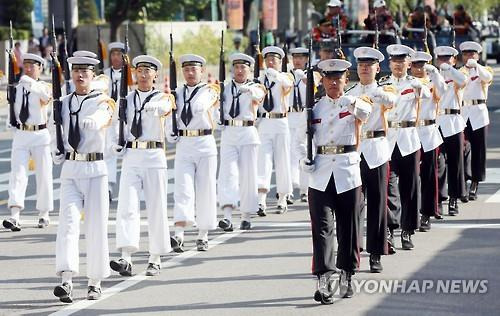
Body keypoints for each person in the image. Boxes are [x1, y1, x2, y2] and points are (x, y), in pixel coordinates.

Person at [299, 58, 371, 303]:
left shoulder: (354, 103)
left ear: (345, 79)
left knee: (349, 227)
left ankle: (347, 273)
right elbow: (303, 140)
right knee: (321, 229)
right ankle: (324, 276)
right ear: (322, 81)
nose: (333, 82)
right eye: (328, 78)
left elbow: (367, 113)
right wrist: (304, 161)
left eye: (338, 78)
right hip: (320, 174)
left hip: (347, 172)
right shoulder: (315, 108)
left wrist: (351, 102)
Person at [52, 55, 115, 303]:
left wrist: (95, 121)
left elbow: (104, 115)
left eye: (85, 72)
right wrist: (55, 150)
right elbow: (52, 127)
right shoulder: (63, 103)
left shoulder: (103, 101)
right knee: (67, 224)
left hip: (96, 169)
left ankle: (95, 281)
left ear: (93, 75)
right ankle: (66, 279)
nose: (80, 76)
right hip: (71, 168)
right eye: (76, 71)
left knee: (95, 226)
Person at [109, 55, 174, 277]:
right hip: (132, 155)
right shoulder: (125, 99)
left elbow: (166, 108)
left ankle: (155, 257)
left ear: (156, 75)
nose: (143, 75)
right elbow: (117, 125)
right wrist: (115, 144)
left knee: (156, 207)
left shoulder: (164, 98)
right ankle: (125, 256)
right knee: (127, 206)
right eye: (140, 70)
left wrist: (155, 106)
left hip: (154, 155)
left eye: (148, 71)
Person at [346, 47, 396, 272]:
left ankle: (376, 252)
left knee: (377, 203)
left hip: (376, 150)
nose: (365, 68)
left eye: (370, 65)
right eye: (362, 65)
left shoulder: (384, 89)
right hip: (355, 151)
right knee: (353, 205)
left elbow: (391, 100)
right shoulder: (352, 90)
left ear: (378, 68)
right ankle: (352, 251)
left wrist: (374, 94)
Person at [169, 54, 220, 252]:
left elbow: (204, 104)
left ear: (202, 71)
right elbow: (170, 116)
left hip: (205, 142)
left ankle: (203, 233)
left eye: (194, 69)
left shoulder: (210, 90)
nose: (190, 73)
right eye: (186, 69)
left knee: (205, 188)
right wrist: (170, 133)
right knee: (182, 188)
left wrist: (199, 104)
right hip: (184, 143)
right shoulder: (177, 92)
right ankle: (179, 234)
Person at [384, 44, 431, 251]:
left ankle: (408, 229)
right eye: (394, 61)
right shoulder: (383, 84)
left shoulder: (415, 83)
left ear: (408, 63)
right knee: (388, 186)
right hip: (388, 140)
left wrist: (422, 86)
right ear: (389, 64)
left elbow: (428, 94)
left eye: (402, 61)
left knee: (410, 186)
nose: (398, 65)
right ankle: (390, 229)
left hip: (409, 139)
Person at [3, 53, 53, 232]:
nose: (29, 68)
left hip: (40, 134)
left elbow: (46, 98)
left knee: (43, 174)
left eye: (33, 66)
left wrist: (30, 84)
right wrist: (11, 121)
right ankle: (15, 215)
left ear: (40, 68)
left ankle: (44, 213)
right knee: (18, 174)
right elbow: (13, 108)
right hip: (22, 134)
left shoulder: (43, 86)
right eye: (26, 65)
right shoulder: (17, 87)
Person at [217, 53, 266, 231]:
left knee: (248, 175)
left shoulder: (256, 87)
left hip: (247, 132)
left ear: (249, 70)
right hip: (229, 132)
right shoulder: (224, 88)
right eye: (236, 67)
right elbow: (216, 107)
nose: (239, 71)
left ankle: (246, 215)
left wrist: (249, 90)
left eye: (243, 67)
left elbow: (260, 96)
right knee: (227, 174)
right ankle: (227, 216)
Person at [256, 46, 294, 216]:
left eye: (274, 60)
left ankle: (283, 197)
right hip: (265, 121)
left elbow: (288, 84)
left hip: (281, 121)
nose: (271, 62)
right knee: (263, 161)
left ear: (280, 62)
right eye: (268, 59)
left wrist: (275, 75)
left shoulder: (284, 76)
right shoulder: (260, 78)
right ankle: (261, 200)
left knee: (283, 160)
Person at [409, 51, 445, 230]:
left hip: (429, 132)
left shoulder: (432, 83)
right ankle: (410, 212)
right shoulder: (408, 84)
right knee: (411, 177)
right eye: (415, 65)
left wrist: (435, 72)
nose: (418, 68)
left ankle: (427, 213)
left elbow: (443, 91)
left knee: (429, 176)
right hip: (410, 132)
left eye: (421, 65)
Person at [434, 45, 467, 216]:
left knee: (456, 163)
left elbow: (463, 81)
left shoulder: (456, 76)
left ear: (454, 60)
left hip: (453, 122)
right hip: (437, 123)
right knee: (438, 164)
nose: (444, 61)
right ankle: (438, 200)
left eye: (448, 58)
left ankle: (454, 198)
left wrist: (450, 69)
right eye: (441, 59)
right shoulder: (433, 76)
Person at [460, 41, 493, 200]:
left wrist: (476, 67)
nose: (469, 57)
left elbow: (487, 77)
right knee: (464, 147)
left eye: (472, 54)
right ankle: (465, 177)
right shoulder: (459, 71)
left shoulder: (484, 70)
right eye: (466, 54)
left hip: (479, 113)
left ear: (478, 55)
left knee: (479, 149)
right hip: (463, 112)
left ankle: (475, 181)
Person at [103, 42, 127, 200]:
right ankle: (108, 187)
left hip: (125, 118)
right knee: (109, 152)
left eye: (119, 54)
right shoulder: (104, 74)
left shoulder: (130, 75)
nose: (116, 57)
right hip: (109, 117)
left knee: (127, 153)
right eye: (113, 54)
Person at [288, 47, 311, 202]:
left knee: (304, 152)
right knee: (289, 154)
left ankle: (305, 189)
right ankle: (289, 190)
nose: (297, 61)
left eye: (301, 58)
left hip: (304, 116)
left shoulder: (311, 75)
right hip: (289, 116)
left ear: (306, 59)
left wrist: (305, 79)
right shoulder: (286, 76)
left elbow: (316, 90)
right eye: (295, 57)